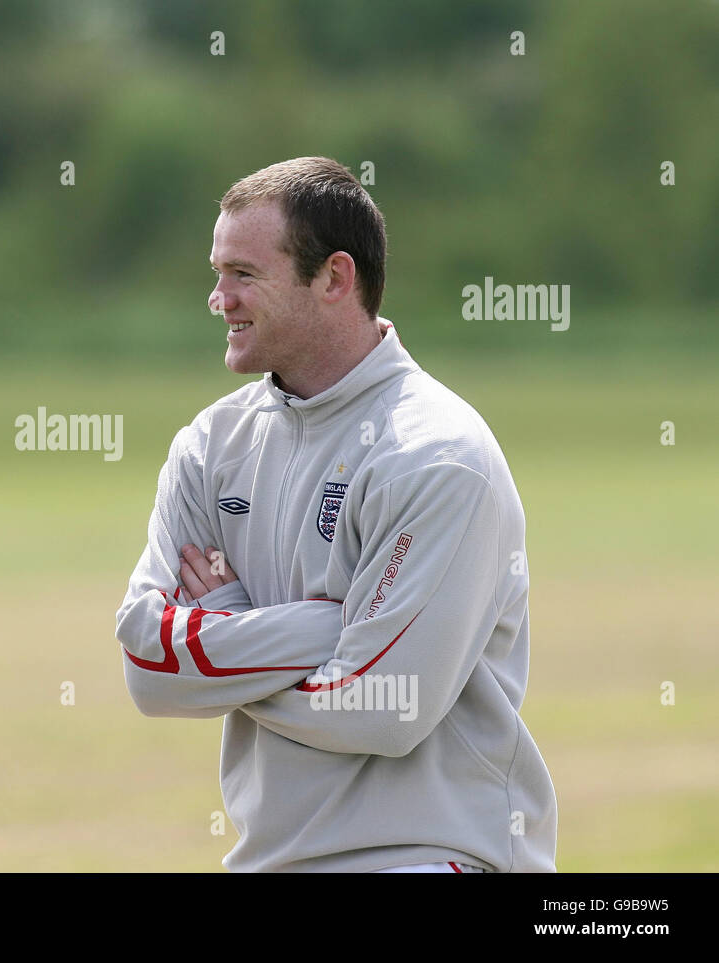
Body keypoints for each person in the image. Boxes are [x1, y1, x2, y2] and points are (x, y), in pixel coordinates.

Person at [115, 157, 557, 873]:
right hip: (266, 859)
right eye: (217, 271)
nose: (217, 297)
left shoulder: (439, 455)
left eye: (244, 274)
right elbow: (146, 665)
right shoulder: (208, 446)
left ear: (334, 278)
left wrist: (225, 630)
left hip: (427, 856)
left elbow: (384, 706)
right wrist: (329, 628)